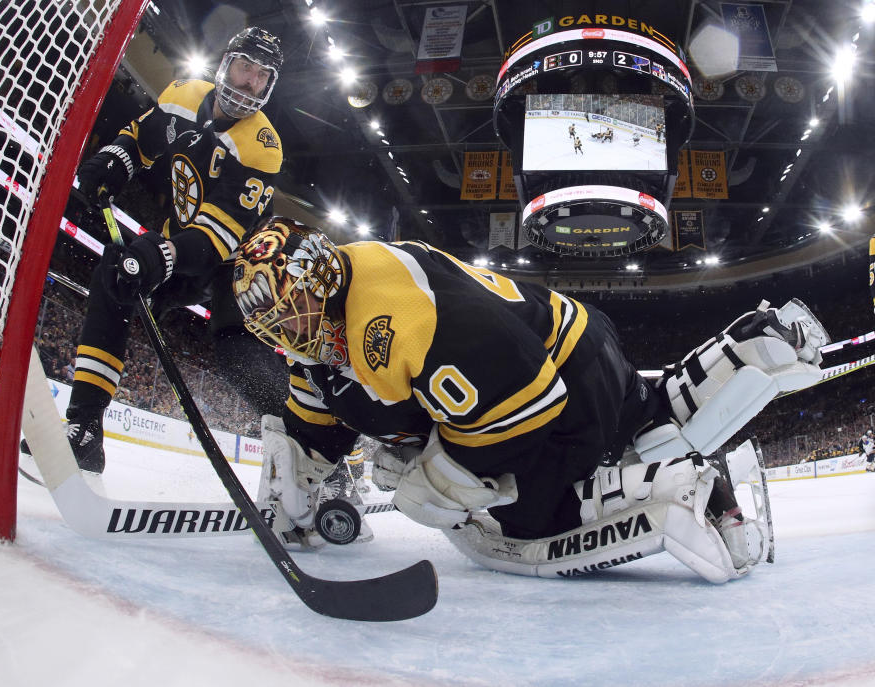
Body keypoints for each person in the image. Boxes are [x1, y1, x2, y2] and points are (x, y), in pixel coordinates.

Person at [231, 217, 828, 581]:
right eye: (274, 324)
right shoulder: (350, 296)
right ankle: (751, 345)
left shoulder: (394, 321)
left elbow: (521, 406)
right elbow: (322, 416)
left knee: (525, 521)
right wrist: (294, 485)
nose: (288, 333)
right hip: (575, 340)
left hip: (546, 382)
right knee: (641, 418)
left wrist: (439, 480)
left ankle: (686, 488)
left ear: (322, 282)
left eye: (293, 313)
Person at [60, 27, 284, 473]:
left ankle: (319, 457)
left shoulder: (263, 148)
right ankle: (84, 427)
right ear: (225, 65)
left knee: (237, 350)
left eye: (263, 76)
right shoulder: (182, 95)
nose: (250, 83)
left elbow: (218, 239)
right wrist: (114, 161)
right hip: (179, 244)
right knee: (113, 278)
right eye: (245, 67)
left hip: (239, 270)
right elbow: (140, 138)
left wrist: (159, 255)